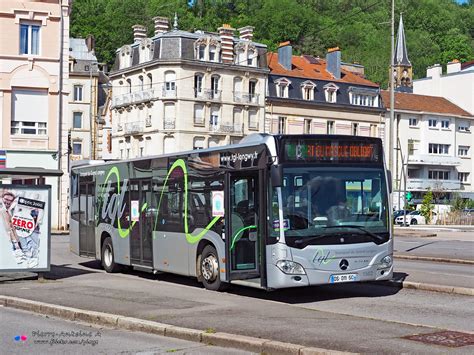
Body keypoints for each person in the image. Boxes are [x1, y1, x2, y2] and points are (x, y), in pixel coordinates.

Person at [0, 190, 26, 264]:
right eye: (6, 199)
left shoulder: (10, 211)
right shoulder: (2, 211)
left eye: (10, 201)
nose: (7, 202)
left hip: (13, 242)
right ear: (2, 199)